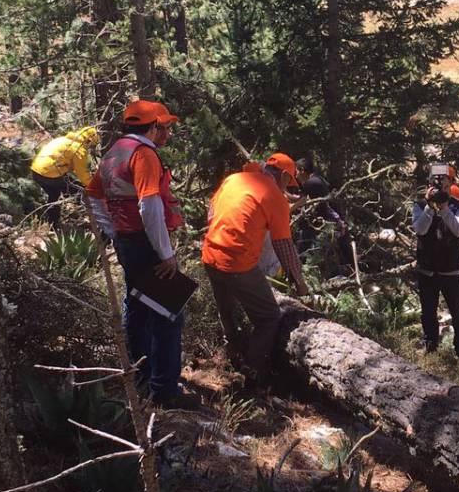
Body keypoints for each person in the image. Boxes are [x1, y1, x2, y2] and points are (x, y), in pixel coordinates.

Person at [86, 101, 186, 407]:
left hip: (128, 242)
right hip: (146, 244)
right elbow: (150, 206)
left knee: (138, 309)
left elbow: (92, 195)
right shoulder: (144, 155)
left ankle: (142, 379)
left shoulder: (115, 151)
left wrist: (114, 230)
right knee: (169, 316)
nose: (168, 133)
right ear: (153, 127)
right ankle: (164, 391)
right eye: (165, 127)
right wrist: (165, 253)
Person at [202, 153, 310, 388]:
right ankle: (251, 374)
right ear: (284, 176)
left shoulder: (234, 179)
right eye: (289, 182)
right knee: (269, 317)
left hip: (210, 255)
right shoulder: (275, 197)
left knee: (227, 309)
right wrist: (300, 283)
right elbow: (284, 246)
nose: (288, 188)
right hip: (237, 264)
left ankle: (232, 351)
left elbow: (212, 214)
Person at [412, 164, 459, 356]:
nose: (440, 188)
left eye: (444, 185)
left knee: (458, 313)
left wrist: (445, 208)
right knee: (428, 312)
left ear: (451, 184)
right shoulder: (420, 205)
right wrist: (429, 208)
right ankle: (430, 348)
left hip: (451, 269)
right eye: (436, 183)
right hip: (427, 269)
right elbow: (420, 229)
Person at [30, 126, 97, 230]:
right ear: (89, 141)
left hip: (36, 171)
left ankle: (52, 224)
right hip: (50, 173)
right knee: (81, 192)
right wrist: (94, 188)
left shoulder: (63, 139)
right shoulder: (79, 149)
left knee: (54, 195)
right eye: (91, 145)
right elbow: (82, 174)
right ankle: (97, 219)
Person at [293, 156, 347, 256]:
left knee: (307, 248)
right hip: (329, 220)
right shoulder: (317, 179)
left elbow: (302, 200)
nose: (296, 176)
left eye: (296, 172)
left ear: (302, 170)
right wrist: (284, 193)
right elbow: (300, 199)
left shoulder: (310, 182)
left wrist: (289, 209)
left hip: (324, 222)